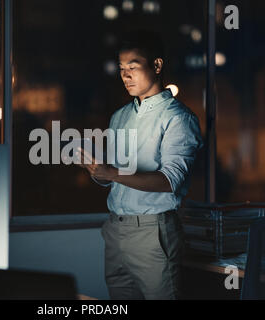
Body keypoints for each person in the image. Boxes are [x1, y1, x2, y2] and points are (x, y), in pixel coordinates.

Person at [76, 31, 203, 300]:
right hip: (115, 230)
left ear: (156, 65)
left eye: (133, 67)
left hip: (152, 233)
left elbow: (170, 181)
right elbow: (116, 177)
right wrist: (98, 172)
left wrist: (112, 172)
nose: (125, 76)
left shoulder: (178, 118)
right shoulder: (119, 117)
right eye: (121, 69)